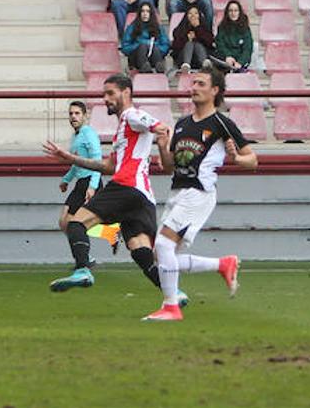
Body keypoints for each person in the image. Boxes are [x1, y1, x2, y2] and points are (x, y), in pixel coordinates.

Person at [42, 74, 167, 295]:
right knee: (139, 249)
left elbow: (161, 128)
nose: (106, 98)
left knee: (75, 223)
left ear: (126, 92)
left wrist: (166, 148)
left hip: (126, 186)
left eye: (110, 93)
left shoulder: (132, 115)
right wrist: (70, 158)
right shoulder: (124, 128)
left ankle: (82, 269)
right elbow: (109, 166)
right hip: (143, 196)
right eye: (104, 94)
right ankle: (172, 293)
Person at [146, 69, 253, 322]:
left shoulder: (222, 123)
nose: (193, 87)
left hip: (199, 193)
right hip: (177, 191)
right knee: (162, 255)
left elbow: (253, 159)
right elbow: (170, 166)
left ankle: (171, 307)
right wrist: (162, 147)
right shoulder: (182, 123)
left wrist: (236, 158)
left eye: (201, 83)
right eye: (192, 82)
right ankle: (223, 265)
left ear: (215, 90)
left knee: (163, 246)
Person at [58, 102, 104, 232]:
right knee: (63, 222)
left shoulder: (89, 133)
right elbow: (77, 162)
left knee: (73, 224)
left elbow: (97, 160)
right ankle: (109, 232)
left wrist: (92, 186)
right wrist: (66, 179)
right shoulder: (75, 136)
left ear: (85, 116)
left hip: (90, 181)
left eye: (77, 113)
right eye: (71, 113)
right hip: (81, 182)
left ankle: (110, 232)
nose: (73, 116)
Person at [121, 3, 171, 74]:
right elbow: (125, 47)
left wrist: (152, 46)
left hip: (154, 55)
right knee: (143, 46)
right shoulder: (132, 27)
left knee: (154, 47)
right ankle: (145, 66)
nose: (145, 14)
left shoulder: (158, 28)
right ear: (139, 13)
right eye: (143, 11)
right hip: (136, 57)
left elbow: (165, 45)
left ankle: (159, 67)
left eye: (147, 11)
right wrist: (139, 44)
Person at [171, 5, 216, 73]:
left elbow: (210, 43)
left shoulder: (204, 28)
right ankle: (186, 65)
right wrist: (187, 38)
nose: (193, 16)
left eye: (196, 13)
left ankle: (205, 64)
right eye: (190, 13)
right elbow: (175, 47)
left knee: (197, 44)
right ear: (186, 16)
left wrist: (197, 28)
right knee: (190, 43)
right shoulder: (179, 30)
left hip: (200, 58)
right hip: (183, 59)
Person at [212, 0, 253, 72]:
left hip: (239, 60)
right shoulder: (222, 27)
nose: (233, 13)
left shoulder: (245, 28)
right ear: (227, 13)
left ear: (239, 12)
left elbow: (247, 48)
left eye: (236, 10)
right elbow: (220, 44)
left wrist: (240, 62)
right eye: (230, 11)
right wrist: (227, 56)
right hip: (225, 59)